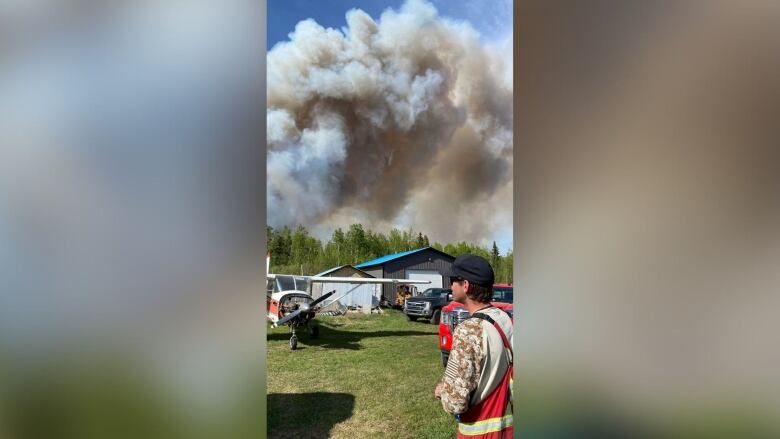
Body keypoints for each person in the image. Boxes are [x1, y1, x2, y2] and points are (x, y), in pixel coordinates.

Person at [435, 254, 513, 438]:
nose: (450, 285)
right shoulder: (503, 319)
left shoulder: (468, 331)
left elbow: (456, 402)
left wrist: (442, 392)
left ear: (466, 286)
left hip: (479, 432)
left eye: (453, 280)